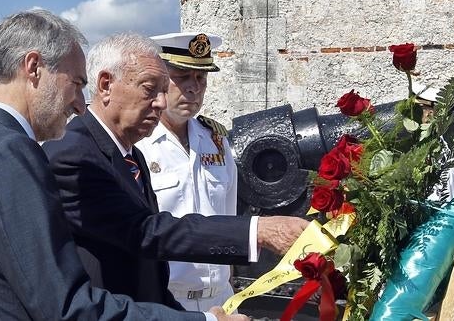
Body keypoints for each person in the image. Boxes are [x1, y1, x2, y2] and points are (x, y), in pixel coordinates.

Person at [0, 9, 246, 321]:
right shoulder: (11, 151)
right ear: (34, 68)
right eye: (76, 82)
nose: (79, 103)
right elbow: (65, 306)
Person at [42, 32, 308, 309]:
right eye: (151, 88)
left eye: (200, 79)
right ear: (106, 85)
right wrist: (256, 231)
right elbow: (144, 231)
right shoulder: (74, 152)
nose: (160, 101)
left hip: (196, 300)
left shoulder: (134, 149)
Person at [134, 32, 241, 311]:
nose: (193, 88)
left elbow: (228, 218)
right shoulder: (140, 145)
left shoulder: (217, 141)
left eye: (201, 79)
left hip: (221, 299)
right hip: (165, 301)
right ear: (159, 81)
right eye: (182, 77)